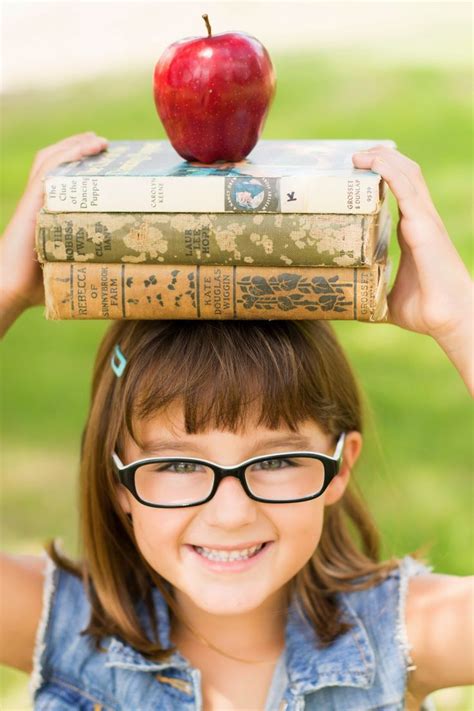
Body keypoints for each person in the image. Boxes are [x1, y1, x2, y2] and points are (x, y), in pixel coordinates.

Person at [0, 133, 472, 711]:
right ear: (116, 474)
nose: (231, 514)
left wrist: (458, 318)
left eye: (275, 460)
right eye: (175, 463)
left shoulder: (401, 635)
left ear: (341, 465)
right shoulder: (64, 630)